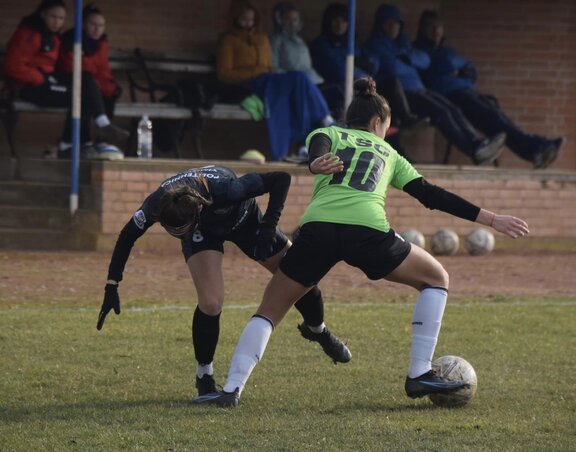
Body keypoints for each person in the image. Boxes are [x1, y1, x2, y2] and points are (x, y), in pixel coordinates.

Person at [202, 77, 530, 407]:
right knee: (436, 279)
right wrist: (491, 219)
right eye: (386, 127)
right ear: (378, 123)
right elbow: (431, 195)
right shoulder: (388, 150)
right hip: (367, 231)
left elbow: (316, 153)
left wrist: (316, 164)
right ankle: (417, 373)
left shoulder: (327, 133)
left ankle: (231, 390)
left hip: (318, 230)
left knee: (269, 312)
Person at [96, 165, 351, 403]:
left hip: (244, 220)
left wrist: (267, 226)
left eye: (181, 231)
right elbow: (127, 234)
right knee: (210, 302)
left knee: (297, 274)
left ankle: (318, 330)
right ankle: (204, 375)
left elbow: (281, 179)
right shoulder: (157, 203)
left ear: (197, 211)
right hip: (204, 233)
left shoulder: (228, 190)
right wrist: (112, 284)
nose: (179, 238)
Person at [414, 10, 564, 169]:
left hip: (466, 91)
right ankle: (534, 149)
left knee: (498, 117)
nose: (436, 31)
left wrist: (459, 73)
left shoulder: (447, 51)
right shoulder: (419, 51)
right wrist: (454, 71)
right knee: (493, 118)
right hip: (450, 97)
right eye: (431, 27)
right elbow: (435, 72)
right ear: (423, 29)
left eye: (439, 27)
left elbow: (469, 70)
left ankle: (535, 148)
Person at [363, 4, 505, 166]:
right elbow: (392, 67)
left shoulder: (402, 45)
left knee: (453, 109)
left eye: (396, 23)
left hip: (421, 89)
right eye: (388, 23)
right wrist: (407, 62)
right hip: (404, 97)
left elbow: (425, 61)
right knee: (441, 112)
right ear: (380, 24)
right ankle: (473, 149)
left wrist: (407, 58)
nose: (392, 27)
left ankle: (477, 144)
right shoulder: (374, 45)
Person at [2, 0, 127, 159]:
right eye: (53, 17)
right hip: (27, 87)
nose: (57, 22)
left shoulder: (54, 36)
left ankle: (93, 132)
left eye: (61, 18)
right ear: (43, 15)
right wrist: (40, 79)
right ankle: (71, 143)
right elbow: (13, 66)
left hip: (46, 82)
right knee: (79, 97)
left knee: (85, 85)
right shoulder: (29, 33)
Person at [216, 0, 334, 161]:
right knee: (295, 81)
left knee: (298, 85)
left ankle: (306, 139)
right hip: (249, 83)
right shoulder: (228, 40)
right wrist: (253, 72)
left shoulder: (262, 39)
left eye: (251, 19)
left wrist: (261, 71)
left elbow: (269, 66)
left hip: (269, 79)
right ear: (235, 18)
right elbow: (224, 74)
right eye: (244, 19)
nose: (248, 23)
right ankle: (323, 118)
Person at [57, 3, 126, 158]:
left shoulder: (101, 43)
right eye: (93, 24)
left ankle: (101, 139)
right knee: (86, 89)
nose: (97, 29)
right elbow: (71, 66)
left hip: (87, 83)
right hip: (66, 81)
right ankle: (90, 137)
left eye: (101, 25)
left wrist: (109, 88)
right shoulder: (71, 39)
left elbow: (103, 70)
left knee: (109, 91)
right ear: (83, 24)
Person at [309, 3, 379, 118]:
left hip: (352, 84)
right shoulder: (320, 45)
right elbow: (338, 70)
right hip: (328, 88)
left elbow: (374, 62)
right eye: (336, 20)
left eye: (344, 21)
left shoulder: (350, 43)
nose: (340, 25)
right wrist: (360, 67)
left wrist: (358, 66)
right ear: (328, 22)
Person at [270, 2, 324, 84]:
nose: (292, 23)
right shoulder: (276, 41)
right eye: (288, 19)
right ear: (279, 20)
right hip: (289, 82)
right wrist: (291, 78)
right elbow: (273, 67)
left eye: (295, 19)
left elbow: (306, 65)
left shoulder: (299, 41)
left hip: (307, 80)